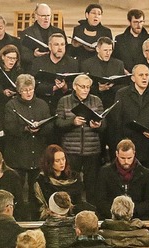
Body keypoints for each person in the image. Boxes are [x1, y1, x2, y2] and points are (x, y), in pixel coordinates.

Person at [3, 74, 53, 213]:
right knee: (17, 191)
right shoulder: (11, 105)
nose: (28, 92)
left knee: (36, 192)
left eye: (30, 89)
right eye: (25, 90)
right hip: (18, 153)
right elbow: (9, 127)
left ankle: (35, 216)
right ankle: (19, 216)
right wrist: (25, 128)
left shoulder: (42, 104)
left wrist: (40, 128)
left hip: (37, 152)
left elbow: (49, 127)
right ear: (19, 90)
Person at [55, 75, 105, 205]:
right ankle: (72, 209)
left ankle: (92, 212)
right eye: (82, 87)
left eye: (88, 87)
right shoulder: (64, 101)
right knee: (71, 184)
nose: (85, 90)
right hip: (71, 150)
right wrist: (73, 122)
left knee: (92, 185)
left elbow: (105, 124)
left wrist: (98, 125)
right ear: (74, 86)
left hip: (92, 150)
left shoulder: (96, 100)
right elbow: (58, 123)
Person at [111, 64, 149, 174]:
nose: (145, 78)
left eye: (147, 75)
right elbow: (117, 120)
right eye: (141, 75)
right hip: (128, 145)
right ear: (133, 78)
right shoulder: (122, 94)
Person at [96, 139, 149, 220]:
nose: (126, 161)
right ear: (117, 154)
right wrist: (116, 213)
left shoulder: (145, 173)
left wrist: (131, 212)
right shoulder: (105, 172)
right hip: (111, 217)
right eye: (122, 158)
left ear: (134, 154)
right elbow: (100, 200)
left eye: (129, 158)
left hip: (138, 217)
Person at [34, 144, 93, 219]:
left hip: (73, 217)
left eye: (63, 159)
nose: (62, 163)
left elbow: (78, 202)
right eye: (57, 161)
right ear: (49, 162)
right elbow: (39, 206)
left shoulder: (74, 177)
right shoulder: (42, 180)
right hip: (51, 219)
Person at [31, 33, 79, 113]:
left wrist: (65, 87)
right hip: (44, 104)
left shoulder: (73, 63)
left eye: (62, 44)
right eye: (56, 45)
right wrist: (53, 88)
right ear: (50, 46)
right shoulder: (38, 62)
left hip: (66, 107)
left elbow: (77, 84)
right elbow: (33, 85)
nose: (60, 48)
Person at [80, 37, 127, 110]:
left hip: (113, 103)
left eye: (110, 50)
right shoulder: (87, 64)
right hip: (93, 104)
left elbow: (122, 85)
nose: (108, 53)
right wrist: (98, 89)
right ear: (98, 49)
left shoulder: (119, 64)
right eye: (105, 50)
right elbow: (82, 87)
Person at [20, 3, 66, 70]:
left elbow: (65, 52)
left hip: (55, 67)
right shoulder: (27, 32)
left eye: (48, 15)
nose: (46, 18)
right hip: (35, 67)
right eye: (43, 16)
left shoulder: (59, 32)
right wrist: (34, 55)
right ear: (36, 16)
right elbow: (23, 55)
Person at [0, 44, 23, 121]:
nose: (12, 61)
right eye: (9, 58)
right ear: (2, 57)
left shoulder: (19, 71)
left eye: (14, 58)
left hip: (15, 106)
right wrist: (3, 92)